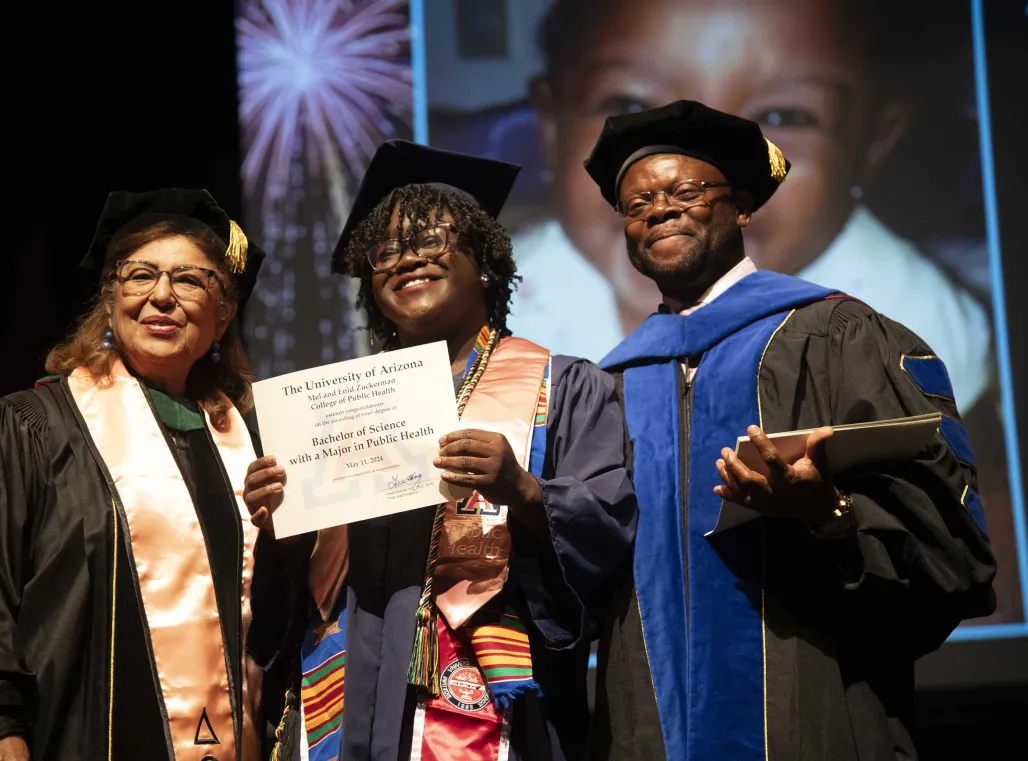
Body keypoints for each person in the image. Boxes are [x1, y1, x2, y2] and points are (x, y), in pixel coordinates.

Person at [585, 101, 997, 760]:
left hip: (815, 718)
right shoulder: (609, 384)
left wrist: (828, 514)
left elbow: (953, 553)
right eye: (636, 204)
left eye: (684, 191)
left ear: (743, 204)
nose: (658, 209)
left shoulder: (838, 336)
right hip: (649, 736)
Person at [245, 140, 637, 761]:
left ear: (483, 260)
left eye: (433, 238)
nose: (407, 259)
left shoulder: (561, 387)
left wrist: (527, 492)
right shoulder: (334, 408)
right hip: (348, 690)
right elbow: (293, 606)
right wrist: (286, 537)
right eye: (386, 250)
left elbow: (611, 538)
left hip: (487, 697)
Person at [0, 189, 268, 761]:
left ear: (224, 314)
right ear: (110, 299)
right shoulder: (31, 429)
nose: (161, 296)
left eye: (190, 280)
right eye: (140, 276)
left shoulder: (250, 442)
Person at [508, 0, 992, 419]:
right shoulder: (501, 311)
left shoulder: (909, 323)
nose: (692, 175)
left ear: (873, 144)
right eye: (631, 104)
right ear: (551, 125)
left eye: (783, 116)